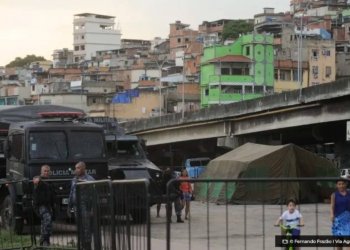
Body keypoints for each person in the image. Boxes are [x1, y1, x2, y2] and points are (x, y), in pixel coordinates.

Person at [68, 161, 95, 250]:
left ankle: (87, 246)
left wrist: (92, 208)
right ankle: (82, 245)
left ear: (83, 168)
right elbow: (71, 193)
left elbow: (93, 194)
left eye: (78, 168)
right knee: (79, 227)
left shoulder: (89, 178)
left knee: (86, 227)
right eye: (75, 168)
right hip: (76, 206)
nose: (76, 170)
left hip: (85, 206)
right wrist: (69, 206)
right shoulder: (74, 179)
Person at [32, 164, 55, 246]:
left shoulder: (51, 181)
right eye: (44, 171)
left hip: (48, 205)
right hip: (40, 205)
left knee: (45, 223)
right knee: (47, 219)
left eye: (47, 171)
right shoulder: (38, 179)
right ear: (41, 172)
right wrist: (37, 180)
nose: (46, 172)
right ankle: (44, 240)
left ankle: (44, 241)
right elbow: (35, 179)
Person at [330, 179, 350, 250]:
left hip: (348, 220)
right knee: (339, 242)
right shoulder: (334, 195)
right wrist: (332, 215)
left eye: (343, 184)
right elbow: (332, 206)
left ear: (346, 184)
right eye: (339, 184)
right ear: (337, 185)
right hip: (338, 220)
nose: (341, 185)